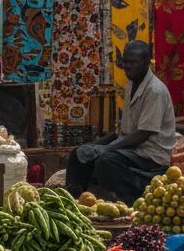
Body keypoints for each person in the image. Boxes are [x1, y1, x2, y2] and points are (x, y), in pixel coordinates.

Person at [65, 41, 175, 201]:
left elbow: (144, 133)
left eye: (133, 62)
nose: (127, 67)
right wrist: (99, 145)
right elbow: (126, 132)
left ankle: (129, 203)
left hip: (150, 153)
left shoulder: (155, 91)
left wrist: (107, 148)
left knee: (106, 161)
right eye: (125, 62)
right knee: (79, 153)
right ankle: (75, 201)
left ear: (146, 63)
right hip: (131, 145)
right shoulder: (132, 83)